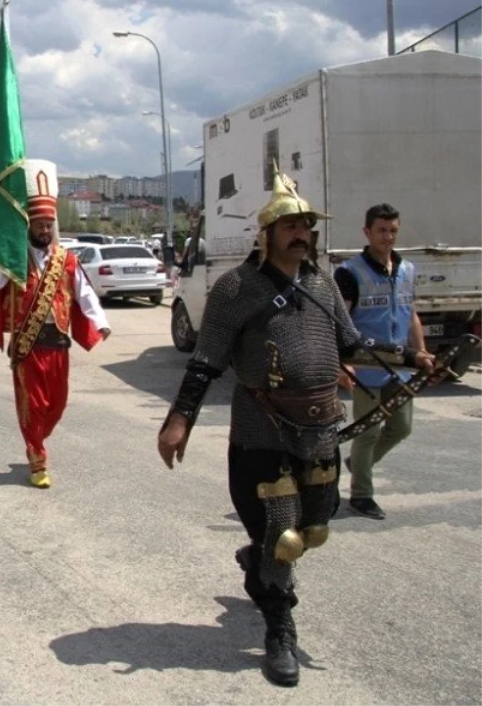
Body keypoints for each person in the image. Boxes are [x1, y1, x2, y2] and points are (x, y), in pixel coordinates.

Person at [156, 172, 432, 687]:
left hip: (321, 425)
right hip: (264, 428)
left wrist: (412, 357)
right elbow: (206, 362)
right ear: (267, 233)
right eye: (289, 225)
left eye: (306, 224)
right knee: (283, 536)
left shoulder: (323, 283)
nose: (300, 232)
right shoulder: (236, 288)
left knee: (316, 525)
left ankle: (256, 559)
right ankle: (280, 628)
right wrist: (179, 420)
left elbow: (351, 345)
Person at [0, 160, 111, 488]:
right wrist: (3, 252)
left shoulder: (66, 259)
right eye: (39, 225)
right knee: (33, 405)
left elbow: (84, 295)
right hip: (27, 348)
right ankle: (37, 458)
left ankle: (39, 438)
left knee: (55, 407)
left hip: (58, 347)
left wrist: (101, 323)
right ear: (28, 225)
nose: (44, 231)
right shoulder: (14, 259)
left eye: (48, 225)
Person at [333, 203, 428, 520]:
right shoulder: (350, 272)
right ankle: (362, 495)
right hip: (367, 367)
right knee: (368, 431)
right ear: (367, 232)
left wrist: (423, 354)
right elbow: (341, 321)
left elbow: (410, 314)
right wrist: (342, 362)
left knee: (401, 427)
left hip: (400, 366)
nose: (388, 237)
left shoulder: (407, 270)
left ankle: (360, 463)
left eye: (393, 231)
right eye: (382, 230)